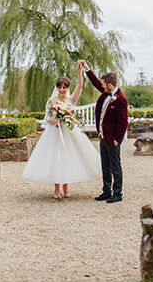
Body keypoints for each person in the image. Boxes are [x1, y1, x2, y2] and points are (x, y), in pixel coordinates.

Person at [22, 62, 101, 199]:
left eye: (64, 87)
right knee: (56, 159)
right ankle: (57, 188)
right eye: (60, 87)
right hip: (55, 133)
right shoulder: (51, 101)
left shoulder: (71, 99)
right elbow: (47, 119)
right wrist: (58, 120)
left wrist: (79, 71)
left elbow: (80, 86)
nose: (62, 90)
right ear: (57, 87)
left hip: (69, 133)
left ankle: (66, 187)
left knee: (68, 158)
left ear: (68, 88)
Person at [79, 60, 128, 203]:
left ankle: (117, 193)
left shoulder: (120, 99)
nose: (101, 86)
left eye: (104, 84)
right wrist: (87, 68)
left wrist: (116, 139)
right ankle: (106, 191)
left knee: (115, 166)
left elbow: (123, 122)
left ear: (110, 85)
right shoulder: (106, 93)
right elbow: (95, 82)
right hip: (103, 136)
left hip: (112, 138)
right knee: (105, 165)